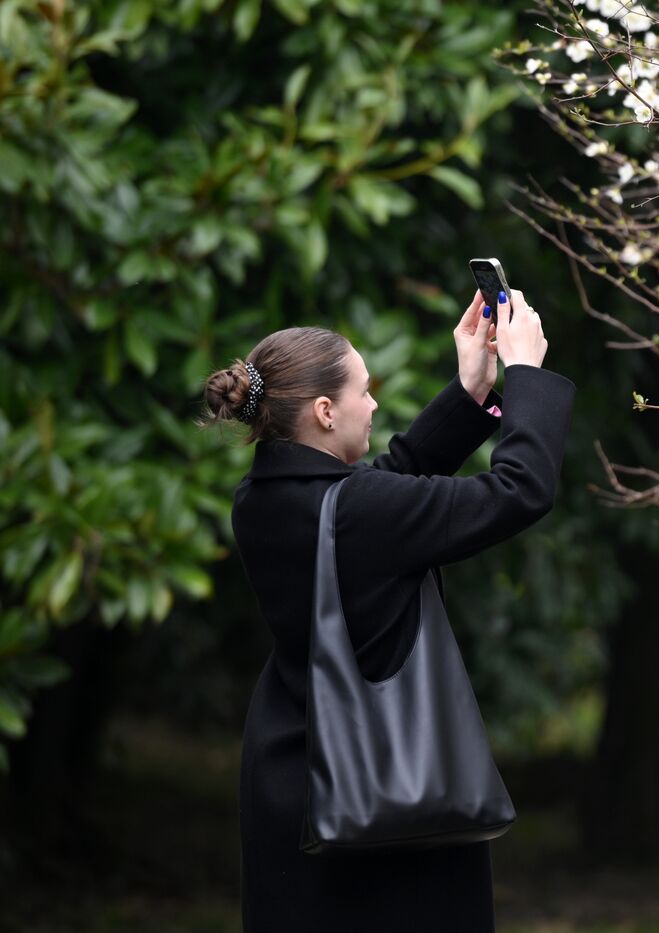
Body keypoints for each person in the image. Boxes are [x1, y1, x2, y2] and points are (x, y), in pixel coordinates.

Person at [200, 288, 574, 932]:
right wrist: (526, 376)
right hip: (391, 801)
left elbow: (385, 483)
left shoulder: (258, 499)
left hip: (294, 783)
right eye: (363, 391)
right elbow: (519, 491)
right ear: (324, 411)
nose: (373, 404)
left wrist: (469, 393)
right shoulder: (365, 512)